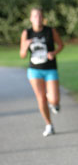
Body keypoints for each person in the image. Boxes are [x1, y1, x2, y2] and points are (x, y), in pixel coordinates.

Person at [20, 7, 64, 137]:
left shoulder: (50, 31)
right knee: (41, 98)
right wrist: (26, 45)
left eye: (39, 16)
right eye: (35, 16)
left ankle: (54, 103)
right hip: (34, 70)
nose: (37, 18)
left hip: (50, 69)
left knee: (54, 100)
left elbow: (61, 45)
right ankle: (49, 124)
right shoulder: (26, 33)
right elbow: (22, 54)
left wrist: (53, 53)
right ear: (31, 19)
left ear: (42, 18)